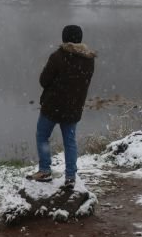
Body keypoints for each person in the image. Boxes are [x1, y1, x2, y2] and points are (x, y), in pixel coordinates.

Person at [30, 24, 96, 186]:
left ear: (64, 38)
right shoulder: (89, 60)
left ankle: (45, 170)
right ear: (80, 38)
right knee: (70, 141)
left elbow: (43, 81)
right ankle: (70, 177)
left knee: (42, 136)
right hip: (73, 107)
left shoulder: (58, 56)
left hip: (52, 106)